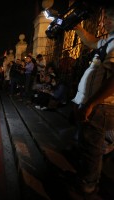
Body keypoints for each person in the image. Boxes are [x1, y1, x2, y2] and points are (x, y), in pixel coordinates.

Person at [68, 4, 114, 198]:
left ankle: (88, 185)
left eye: (108, 18)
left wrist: (92, 103)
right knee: (88, 144)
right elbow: (92, 41)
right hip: (93, 104)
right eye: (104, 18)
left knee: (92, 149)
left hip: (101, 107)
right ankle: (86, 178)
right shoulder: (109, 40)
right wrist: (78, 28)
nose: (103, 22)